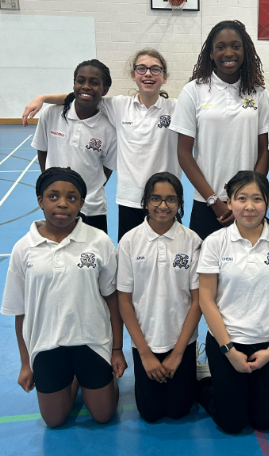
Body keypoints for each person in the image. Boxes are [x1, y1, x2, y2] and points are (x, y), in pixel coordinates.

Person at [1, 167, 127, 427]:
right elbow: (19, 311)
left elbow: (112, 301)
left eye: (71, 198)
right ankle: (74, 378)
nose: (62, 203)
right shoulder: (23, 248)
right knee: (54, 420)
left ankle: (89, 378)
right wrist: (26, 363)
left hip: (92, 342)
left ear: (81, 203)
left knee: (103, 416)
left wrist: (116, 350)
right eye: (53, 196)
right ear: (40, 201)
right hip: (47, 345)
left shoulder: (99, 241)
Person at [22, 48, 180, 240]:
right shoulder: (119, 105)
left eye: (155, 69)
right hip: (130, 198)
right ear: (133, 75)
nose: (148, 73)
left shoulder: (177, 108)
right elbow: (82, 96)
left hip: (166, 197)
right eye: (141, 68)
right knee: (130, 252)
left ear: (165, 77)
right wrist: (43, 98)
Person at [196, 171, 269, 434]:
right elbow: (206, 300)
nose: (250, 206)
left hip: (268, 343)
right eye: (241, 198)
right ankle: (205, 379)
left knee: (266, 420)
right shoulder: (215, 242)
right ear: (229, 202)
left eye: (257, 199)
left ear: (268, 201)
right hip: (226, 342)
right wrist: (229, 351)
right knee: (232, 423)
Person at [170, 20, 269, 240]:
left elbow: (265, 151)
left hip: (247, 206)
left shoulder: (259, 94)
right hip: (207, 202)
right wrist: (213, 200)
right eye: (221, 47)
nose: (228, 53)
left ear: (245, 52)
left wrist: (249, 197)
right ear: (211, 53)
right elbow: (184, 153)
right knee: (206, 261)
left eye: (236, 46)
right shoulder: (193, 91)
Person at [117, 172, 202, 423]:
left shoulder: (192, 241)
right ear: (145, 201)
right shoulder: (129, 241)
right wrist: (144, 354)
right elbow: (124, 301)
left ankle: (203, 373)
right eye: (155, 198)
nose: (163, 205)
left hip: (182, 343)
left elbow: (198, 301)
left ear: (180, 203)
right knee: (150, 413)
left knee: (179, 410)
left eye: (171, 199)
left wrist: (177, 354)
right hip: (145, 343)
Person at [30, 59, 117, 233]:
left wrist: (89, 190)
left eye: (94, 83)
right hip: (57, 205)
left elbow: (107, 169)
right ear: (74, 84)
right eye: (80, 81)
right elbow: (43, 151)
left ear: (105, 90)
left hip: (92, 207)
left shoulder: (109, 128)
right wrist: (51, 184)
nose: (86, 86)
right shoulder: (51, 114)